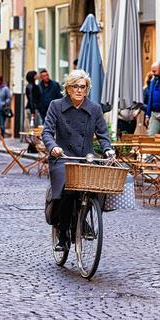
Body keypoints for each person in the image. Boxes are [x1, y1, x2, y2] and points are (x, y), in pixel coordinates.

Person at [41, 69, 113, 251]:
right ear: (68, 88)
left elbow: (103, 134)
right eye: (76, 86)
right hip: (62, 158)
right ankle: (63, 233)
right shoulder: (56, 106)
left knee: (96, 187)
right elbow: (47, 132)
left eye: (83, 87)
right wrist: (53, 147)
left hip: (84, 158)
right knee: (68, 190)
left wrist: (108, 149)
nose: (79, 90)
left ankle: (82, 219)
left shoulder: (94, 109)